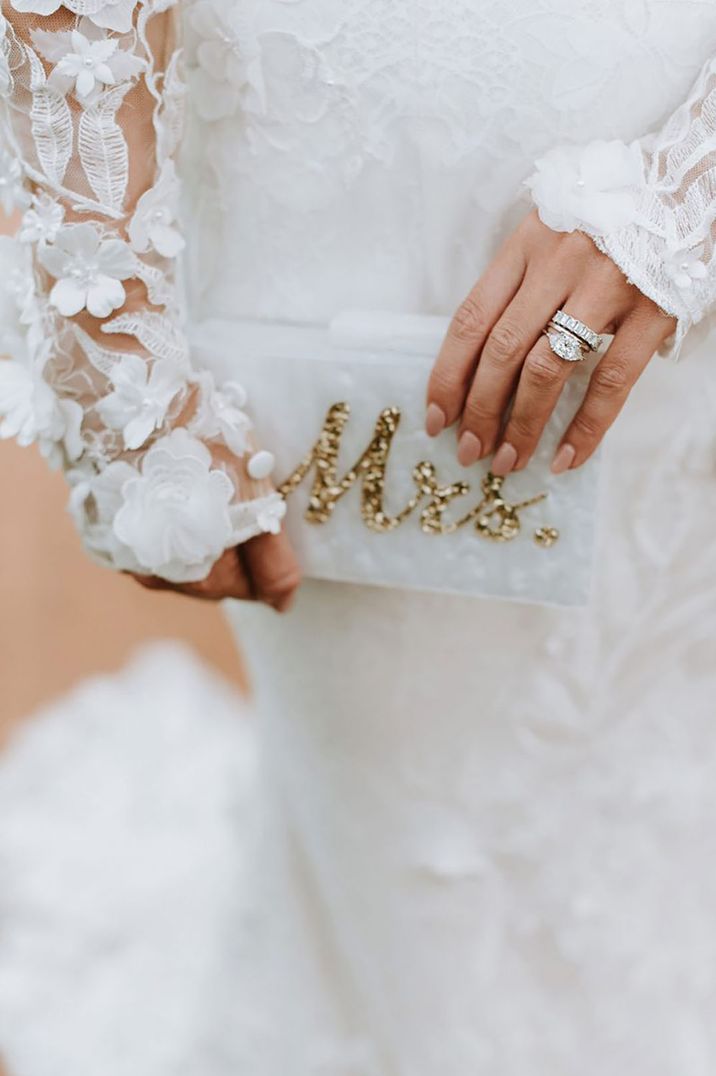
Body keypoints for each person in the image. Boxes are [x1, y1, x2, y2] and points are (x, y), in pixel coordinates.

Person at [1, 0, 716, 1070]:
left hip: (670, 167)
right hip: (326, 175)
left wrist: (682, 198)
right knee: (410, 817)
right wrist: (116, 369)